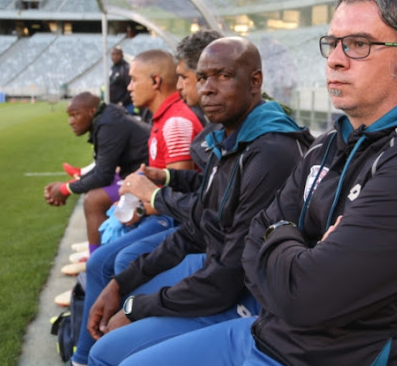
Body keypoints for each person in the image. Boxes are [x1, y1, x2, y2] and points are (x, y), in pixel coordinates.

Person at [109, 0, 397, 365]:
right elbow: (250, 248)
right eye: (333, 44)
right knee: (112, 356)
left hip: (325, 355)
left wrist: (280, 233)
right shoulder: (331, 143)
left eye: (359, 45)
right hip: (270, 336)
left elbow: (304, 294)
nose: (335, 59)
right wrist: (296, 243)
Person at [84, 37, 314, 366]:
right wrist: (122, 285)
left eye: (222, 75)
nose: (207, 88)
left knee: (110, 355)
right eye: (203, 77)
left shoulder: (271, 153)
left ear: (255, 81)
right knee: (107, 341)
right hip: (220, 278)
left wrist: (136, 307)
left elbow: (226, 277)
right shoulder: (228, 138)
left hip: (249, 302)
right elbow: (197, 228)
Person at [68, 47, 206, 366]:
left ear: (156, 81)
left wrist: (143, 209)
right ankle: (95, 345)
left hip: (175, 222)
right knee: (107, 253)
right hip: (168, 216)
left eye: (133, 80)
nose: (128, 87)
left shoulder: (176, 124)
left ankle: (89, 353)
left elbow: (182, 197)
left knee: (107, 262)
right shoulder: (163, 119)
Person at [43, 92, 151, 253]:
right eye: (69, 116)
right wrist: (72, 184)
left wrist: (65, 189)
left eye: (75, 115)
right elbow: (103, 168)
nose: (70, 122)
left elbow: (102, 176)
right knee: (100, 188)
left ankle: (96, 258)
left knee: (93, 199)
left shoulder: (109, 124)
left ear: (91, 112)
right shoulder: (106, 117)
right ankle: (97, 249)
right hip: (137, 172)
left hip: (149, 177)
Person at [109, 46, 133, 114]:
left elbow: (130, 87)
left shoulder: (125, 68)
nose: (115, 57)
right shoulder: (113, 67)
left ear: (122, 55)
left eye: (117, 54)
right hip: (114, 105)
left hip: (125, 106)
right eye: (113, 54)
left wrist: (122, 102)